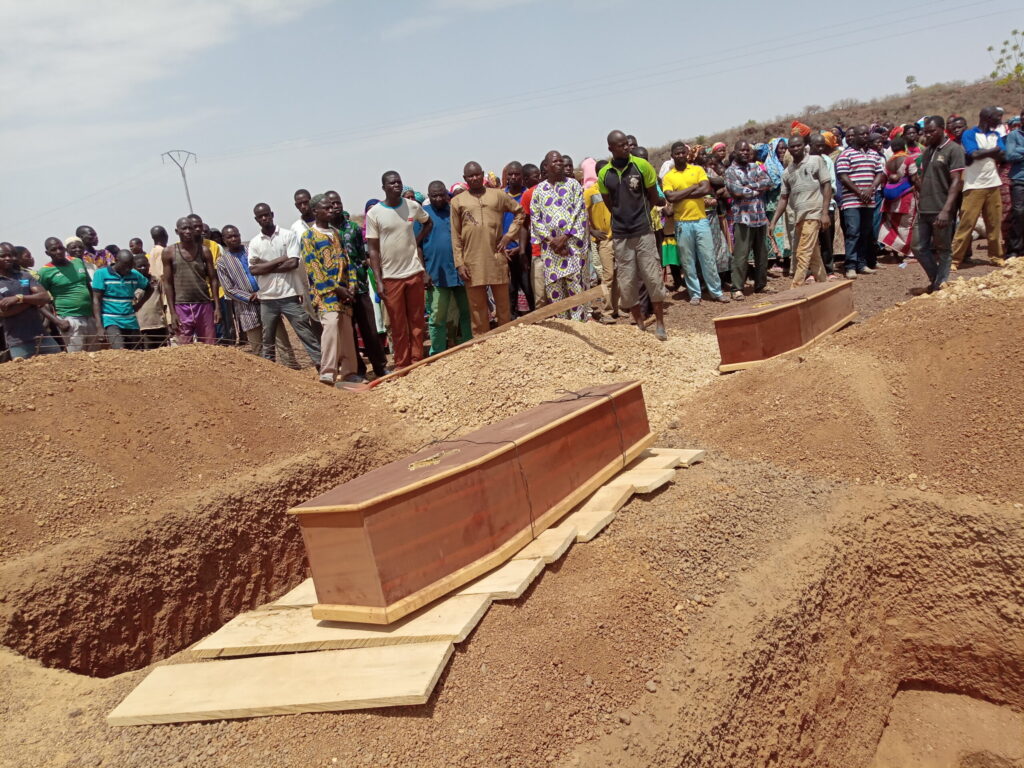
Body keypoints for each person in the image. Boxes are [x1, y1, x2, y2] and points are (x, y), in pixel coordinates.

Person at [598, 130, 667, 339]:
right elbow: (611, 204)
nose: (626, 147)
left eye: (627, 144)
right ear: (611, 148)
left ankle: (661, 324)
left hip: (644, 231)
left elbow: (654, 197)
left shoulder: (642, 166)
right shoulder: (604, 174)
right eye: (620, 145)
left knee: (653, 278)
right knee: (627, 283)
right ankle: (639, 324)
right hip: (620, 235)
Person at [365, 172, 431, 370]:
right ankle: (402, 364)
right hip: (391, 277)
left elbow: (428, 223)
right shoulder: (374, 213)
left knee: (417, 320)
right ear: (383, 187)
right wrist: (379, 280)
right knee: (398, 323)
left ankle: (416, 361)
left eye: (398, 182)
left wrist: (415, 242)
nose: (396, 185)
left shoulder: (411, 206)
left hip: (413, 272)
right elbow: (373, 250)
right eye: (391, 183)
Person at [449, 161, 524, 337]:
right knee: (477, 309)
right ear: (465, 178)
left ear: (482, 174)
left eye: (477, 174)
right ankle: (482, 344)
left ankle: (505, 340)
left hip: (496, 257)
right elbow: (455, 235)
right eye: (470, 176)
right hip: (472, 260)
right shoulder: (457, 201)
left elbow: (520, 212)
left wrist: (509, 236)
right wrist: (459, 263)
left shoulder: (497, 195)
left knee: (503, 306)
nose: (474, 178)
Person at [247, 203, 322, 370]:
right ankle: (270, 370)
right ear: (256, 219)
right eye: (261, 216)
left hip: (290, 294)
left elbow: (293, 263)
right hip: (267, 297)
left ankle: (321, 366)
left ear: (272, 214)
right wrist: (280, 259)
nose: (264, 218)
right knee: (268, 339)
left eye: (267, 214)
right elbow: (253, 270)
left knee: (305, 333)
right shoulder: (254, 243)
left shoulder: (288, 235)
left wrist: (265, 266)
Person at [324, 191, 389, 379]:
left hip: (359, 287)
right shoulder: (326, 233)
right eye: (331, 204)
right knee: (348, 334)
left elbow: (363, 256)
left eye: (338, 203)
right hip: (339, 292)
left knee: (369, 328)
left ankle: (380, 367)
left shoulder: (353, 228)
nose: (336, 206)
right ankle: (358, 370)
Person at [301, 194, 360, 385]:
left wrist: (351, 286)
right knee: (331, 327)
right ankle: (328, 371)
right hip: (325, 294)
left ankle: (350, 372)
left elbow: (348, 260)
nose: (331, 210)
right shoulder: (308, 236)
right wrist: (336, 289)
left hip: (344, 292)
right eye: (326, 208)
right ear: (315, 211)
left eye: (332, 207)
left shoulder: (336, 233)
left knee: (347, 332)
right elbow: (314, 268)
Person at [662, 141, 729, 304]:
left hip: (701, 221)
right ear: (672, 156)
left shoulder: (697, 170)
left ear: (687, 154)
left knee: (708, 257)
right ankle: (695, 294)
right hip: (682, 223)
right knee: (688, 260)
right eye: (676, 153)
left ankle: (716, 291)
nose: (680, 156)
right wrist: (693, 189)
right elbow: (670, 197)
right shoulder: (669, 176)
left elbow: (705, 189)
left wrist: (681, 194)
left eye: (682, 153)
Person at [529, 150, 589, 320]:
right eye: (555, 162)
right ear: (546, 167)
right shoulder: (539, 190)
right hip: (551, 250)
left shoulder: (573, 185)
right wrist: (552, 241)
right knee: (555, 291)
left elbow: (580, 213)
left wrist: (565, 238)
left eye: (561, 161)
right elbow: (535, 218)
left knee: (576, 288)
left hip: (572, 246)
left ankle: (579, 328)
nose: (560, 164)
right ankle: (564, 331)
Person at [769, 133, 833, 288]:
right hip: (799, 216)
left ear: (804, 146)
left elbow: (827, 185)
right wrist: (773, 222)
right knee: (813, 255)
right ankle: (824, 284)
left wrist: (824, 213)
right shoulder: (787, 172)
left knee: (802, 253)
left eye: (799, 145)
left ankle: (795, 288)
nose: (796, 148)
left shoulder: (816, 161)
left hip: (814, 212)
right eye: (792, 146)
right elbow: (783, 198)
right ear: (789, 149)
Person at [912, 116, 966, 293]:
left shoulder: (954, 150)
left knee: (943, 249)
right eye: (925, 132)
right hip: (924, 208)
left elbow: (956, 182)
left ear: (942, 129)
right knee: (918, 247)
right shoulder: (928, 151)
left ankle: (939, 285)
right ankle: (937, 280)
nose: (927, 135)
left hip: (941, 208)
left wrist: (946, 210)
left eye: (931, 131)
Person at [951, 107, 1007, 269]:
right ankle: (955, 259)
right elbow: (972, 154)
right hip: (974, 185)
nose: (1000, 121)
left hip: (993, 184)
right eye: (997, 118)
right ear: (987, 118)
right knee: (967, 223)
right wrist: (993, 151)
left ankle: (996, 256)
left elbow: (1003, 155)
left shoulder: (995, 135)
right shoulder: (970, 134)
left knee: (994, 223)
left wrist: (985, 152)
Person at [420, 180, 471, 354]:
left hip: (460, 272)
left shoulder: (454, 212)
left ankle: (469, 345)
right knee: (437, 317)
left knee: (467, 312)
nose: (438, 198)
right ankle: (438, 353)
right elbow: (417, 245)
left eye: (442, 194)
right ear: (429, 196)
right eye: (434, 195)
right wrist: (424, 272)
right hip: (436, 274)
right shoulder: (423, 215)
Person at [724, 140, 775, 300]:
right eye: (742, 150)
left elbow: (769, 182)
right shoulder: (730, 171)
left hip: (759, 217)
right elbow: (737, 190)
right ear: (736, 151)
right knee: (741, 255)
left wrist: (749, 187)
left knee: (762, 254)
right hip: (743, 218)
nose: (745, 153)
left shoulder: (755, 167)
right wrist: (754, 189)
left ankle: (761, 285)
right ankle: (737, 288)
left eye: (748, 151)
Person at [835, 124, 886, 278]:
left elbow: (879, 173)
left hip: (869, 200)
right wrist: (859, 192)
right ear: (854, 136)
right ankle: (850, 265)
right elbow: (843, 176)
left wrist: (871, 189)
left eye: (867, 134)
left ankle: (862, 264)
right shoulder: (846, 154)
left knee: (866, 233)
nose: (865, 136)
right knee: (853, 233)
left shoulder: (874, 154)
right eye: (862, 134)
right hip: (851, 201)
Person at [162, 216, 220, 344]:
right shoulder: (169, 252)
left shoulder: (204, 251)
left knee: (209, 345)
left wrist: (217, 307)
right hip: (181, 305)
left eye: (190, 228)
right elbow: (168, 283)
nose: (188, 231)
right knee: (184, 347)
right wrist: (172, 312)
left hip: (204, 304)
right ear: (177, 231)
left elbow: (213, 279)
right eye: (184, 228)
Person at [37, 237, 98, 352]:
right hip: (69, 318)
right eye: (53, 249)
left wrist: (96, 316)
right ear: (47, 253)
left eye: (60, 248)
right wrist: (57, 321)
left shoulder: (77, 262)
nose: (58, 251)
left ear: (64, 249)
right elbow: (39, 301)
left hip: (89, 317)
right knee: (77, 359)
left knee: (96, 355)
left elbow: (89, 288)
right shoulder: (45, 272)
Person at [0, 242, 60, 359]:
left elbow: (45, 297)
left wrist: (19, 298)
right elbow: (3, 312)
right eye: (3, 256)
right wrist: (31, 302)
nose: (8, 258)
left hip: (42, 336)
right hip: (18, 342)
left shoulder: (24, 276)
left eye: (11, 255)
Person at [91, 250, 151, 350]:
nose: (128, 269)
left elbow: (149, 288)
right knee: (119, 351)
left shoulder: (134, 274)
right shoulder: (101, 274)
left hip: (130, 320)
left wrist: (139, 305)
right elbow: (96, 300)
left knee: (136, 353)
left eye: (130, 266)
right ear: (117, 260)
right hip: (111, 320)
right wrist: (99, 326)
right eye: (125, 265)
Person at [584, 159, 619, 322]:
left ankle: (617, 308)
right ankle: (606, 312)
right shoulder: (591, 192)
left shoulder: (616, 189)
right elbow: (581, 214)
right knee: (608, 276)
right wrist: (592, 230)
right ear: (597, 174)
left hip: (620, 237)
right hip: (604, 239)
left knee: (620, 275)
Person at [877, 136, 919, 259]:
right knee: (907, 225)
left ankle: (896, 249)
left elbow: (884, 179)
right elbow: (914, 178)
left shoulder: (889, 161)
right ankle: (908, 252)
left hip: (890, 199)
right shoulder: (908, 160)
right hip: (906, 197)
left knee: (893, 225)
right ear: (904, 147)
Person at [503, 161, 534, 317]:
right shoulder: (501, 195)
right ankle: (512, 321)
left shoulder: (528, 194)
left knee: (528, 286)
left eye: (517, 174)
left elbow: (531, 225)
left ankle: (536, 319)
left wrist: (521, 246)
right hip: (505, 250)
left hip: (524, 249)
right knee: (510, 287)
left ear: (522, 176)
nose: (514, 177)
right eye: (511, 174)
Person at [808, 133, 840, 277]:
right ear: (811, 145)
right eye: (817, 145)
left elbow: (832, 184)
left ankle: (829, 270)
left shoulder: (827, 160)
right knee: (810, 241)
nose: (820, 148)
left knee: (827, 240)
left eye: (823, 145)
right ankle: (810, 272)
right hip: (809, 207)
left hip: (827, 205)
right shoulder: (804, 160)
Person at [132, 253, 168, 348]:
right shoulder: (132, 282)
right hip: (142, 325)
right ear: (134, 267)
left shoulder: (156, 280)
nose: (143, 268)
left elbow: (164, 299)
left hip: (159, 324)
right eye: (140, 266)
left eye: (145, 265)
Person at [1006, 113, 1024, 260]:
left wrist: (1020, 150)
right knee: (1018, 213)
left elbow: (1015, 153)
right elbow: (1010, 155)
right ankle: (1013, 249)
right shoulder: (1014, 135)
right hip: (1019, 179)